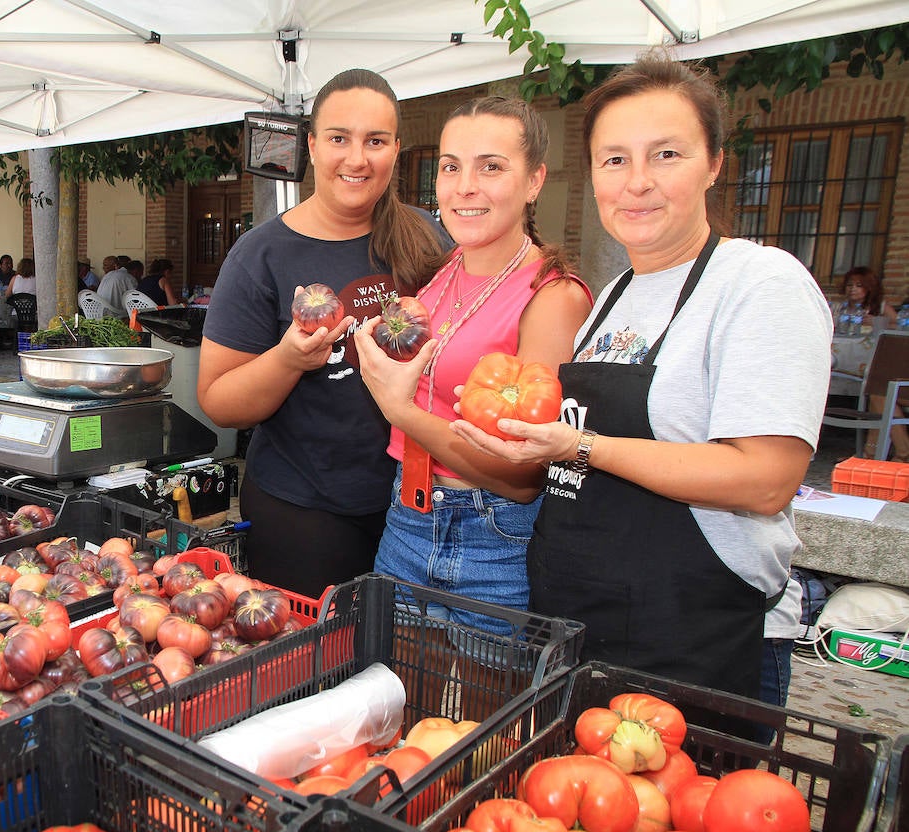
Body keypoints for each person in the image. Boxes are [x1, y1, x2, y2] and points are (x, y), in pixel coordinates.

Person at [452, 52, 832, 702]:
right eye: (615, 159)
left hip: (697, 641)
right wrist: (513, 440)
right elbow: (573, 458)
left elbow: (766, 480)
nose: (636, 183)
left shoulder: (759, 284)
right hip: (583, 630)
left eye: (666, 155)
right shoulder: (615, 296)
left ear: (713, 163)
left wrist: (580, 446)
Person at [198, 68, 448, 599]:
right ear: (311, 147)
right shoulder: (260, 255)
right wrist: (289, 358)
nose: (357, 158)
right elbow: (218, 401)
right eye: (339, 138)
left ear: (396, 150)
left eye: (375, 141)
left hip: (421, 509)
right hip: (303, 509)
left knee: (400, 673)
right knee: (315, 669)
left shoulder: (430, 239)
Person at [352, 96, 593, 632]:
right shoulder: (444, 273)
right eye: (451, 166)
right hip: (407, 512)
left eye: (492, 167)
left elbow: (525, 474)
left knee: (493, 712)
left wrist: (398, 407)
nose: (465, 186)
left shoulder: (552, 296)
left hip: (491, 532)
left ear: (534, 182)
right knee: (396, 700)